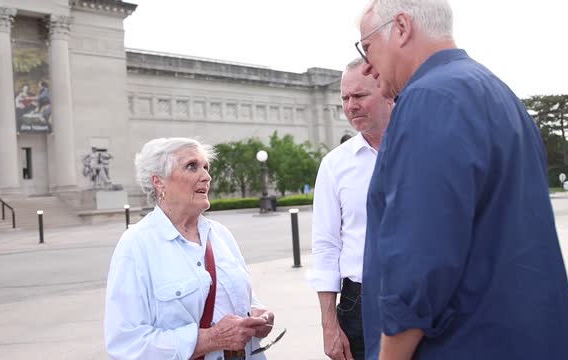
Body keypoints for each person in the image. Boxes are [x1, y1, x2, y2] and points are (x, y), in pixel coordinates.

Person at [356, 1, 568, 359]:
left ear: (403, 28)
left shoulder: (428, 99)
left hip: (462, 343)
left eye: (367, 47)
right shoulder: (501, 95)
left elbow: (419, 264)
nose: (367, 65)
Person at [105, 137, 275, 360]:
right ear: (159, 182)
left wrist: (258, 316)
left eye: (206, 167)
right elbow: (126, 344)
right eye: (191, 166)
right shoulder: (137, 244)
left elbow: (244, 298)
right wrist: (211, 339)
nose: (206, 176)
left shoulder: (220, 234)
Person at [309, 58, 393, 360]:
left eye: (359, 96)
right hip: (359, 304)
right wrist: (329, 325)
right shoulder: (335, 165)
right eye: (345, 98)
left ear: (386, 91)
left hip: (425, 297)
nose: (350, 106)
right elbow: (326, 246)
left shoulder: (422, 150)